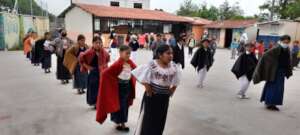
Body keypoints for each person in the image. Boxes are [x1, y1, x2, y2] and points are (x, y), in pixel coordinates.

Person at [132, 45, 181, 135]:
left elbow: (176, 81)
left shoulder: (173, 67)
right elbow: (138, 74)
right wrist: (147, 87)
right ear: (160, 55)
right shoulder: (152, 65)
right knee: (148, 121)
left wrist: (172, 89)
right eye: (168, 53)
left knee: (160, 121)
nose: (171, 56)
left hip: (164, 99)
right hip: (152, 98)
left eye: (172, 53)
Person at [96, 45, 136, 132]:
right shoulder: (117, 64)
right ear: (120, 53)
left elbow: (136, 70)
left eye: (129, 53)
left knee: (124, 106)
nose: (128, 55)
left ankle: (118, 121)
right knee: (120, 106)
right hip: (119, 88)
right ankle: (122, 123)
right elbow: (105, 73)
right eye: (126, 53)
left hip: (127, 87)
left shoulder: (130, 62)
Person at [253, 35, 293, 111]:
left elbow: (288, 60)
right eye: (284, 42)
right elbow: (265, 55)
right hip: (274, 72)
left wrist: (288, 70)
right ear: (281, 41)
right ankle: (270, 104)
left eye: (287, 42)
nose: (286, 43)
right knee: (272, 87)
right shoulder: (276, 48)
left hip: (281, 72)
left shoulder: (287, 49)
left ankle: (272, 103)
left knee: (279, 89)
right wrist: (272, 65)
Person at [79, 36, 110, 108]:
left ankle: (100, 102)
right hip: (93, 73)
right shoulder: (89, 52)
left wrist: (104, 67)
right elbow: (81, 59)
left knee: (101, 88)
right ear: (93, 43)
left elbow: (107, 59)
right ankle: (94, 102)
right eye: (96, 43)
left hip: (101, 73)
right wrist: (88, 67)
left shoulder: (104, 52)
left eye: (99, 43)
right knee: (93, 88)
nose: (98, 44)